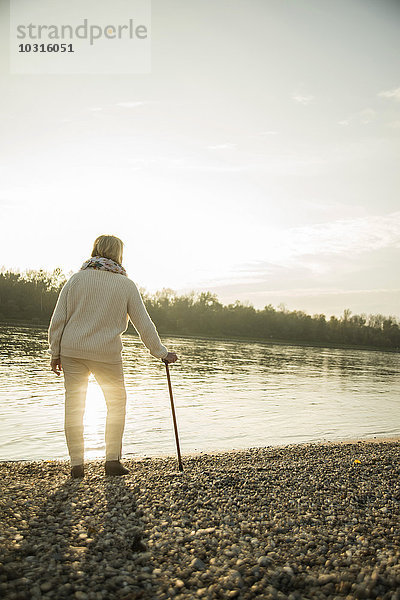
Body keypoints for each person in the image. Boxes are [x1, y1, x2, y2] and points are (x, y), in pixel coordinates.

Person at [48, 235, 178, 479]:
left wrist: (55, 352)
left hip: (72, 351)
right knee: (116, 406)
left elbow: (58, 321)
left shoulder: (76, 280)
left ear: (95, 250)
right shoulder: (126, 285)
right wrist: (160, 352)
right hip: (107, 354)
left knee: (74, 407)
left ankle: (77, 466)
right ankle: (112, 462)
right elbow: (144, 324)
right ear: (119, 254)